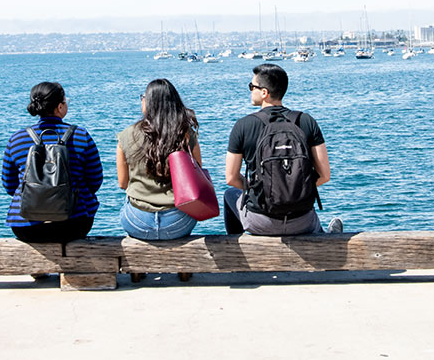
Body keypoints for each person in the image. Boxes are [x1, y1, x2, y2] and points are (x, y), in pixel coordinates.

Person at [223, 64, 340, 236]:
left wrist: (259, 188)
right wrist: (294, 189)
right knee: (315, 226)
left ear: (264, 93)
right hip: (302, 221)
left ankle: (235, 250)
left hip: (261, 221)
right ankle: (326, 236)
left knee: (230, 195)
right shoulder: (306, 121)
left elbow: (231, 178)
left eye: (251, 87)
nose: (250, 91)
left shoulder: (243, 125)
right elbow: (325, 175)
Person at [2, 82, 103, 243]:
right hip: (73, 224)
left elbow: (9, 185)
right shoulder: (80, 135)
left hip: (26, 227)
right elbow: (95, 181)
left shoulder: (17, 139)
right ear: (60, 106)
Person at [116, 78, 203, 241]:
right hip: (178, 222)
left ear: (149, 102)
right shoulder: (186, 134)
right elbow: (197, 176)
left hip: (137, 222)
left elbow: (122, 183)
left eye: (143, 97)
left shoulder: (126, 135)